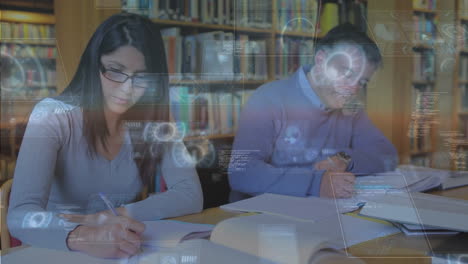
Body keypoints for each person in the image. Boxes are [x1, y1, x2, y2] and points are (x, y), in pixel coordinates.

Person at [7, 13, 203, 258]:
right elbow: (20, 214)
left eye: (141, 77)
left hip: (122, 248)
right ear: (94, 65)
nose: (127, 89)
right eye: (115, 71)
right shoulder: (52, 115)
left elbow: (190, 194)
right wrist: (84, 234)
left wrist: (110, 217)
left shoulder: (153, 120)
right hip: (54, 249)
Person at [228, 23, 398, 200]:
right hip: (258, 218)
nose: (353, 89)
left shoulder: (351, 108)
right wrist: (316, 183)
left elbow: (387, 154)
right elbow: (241, 173)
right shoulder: (268, 98)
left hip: (322, 214)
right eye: (347, 74)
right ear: (320, 61)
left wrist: (344, 158)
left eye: (362, 82)